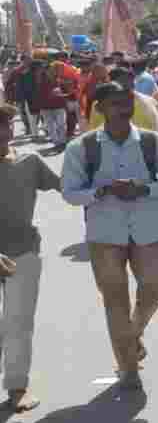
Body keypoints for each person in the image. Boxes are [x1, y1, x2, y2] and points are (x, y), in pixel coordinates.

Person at [61, 82, 158, 390]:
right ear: (100, 108)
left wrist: (144, 188)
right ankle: (129, 368)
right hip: (104, 235)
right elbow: (70, 193)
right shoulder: (82, 147)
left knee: (153, 290)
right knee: (115, 301)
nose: (123, 108)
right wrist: (102, 191)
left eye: (126, 101)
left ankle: (132, 336)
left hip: (145, 230)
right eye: (115, 103)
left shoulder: (151, 142)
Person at [0, 101, 60, 412]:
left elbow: (68, 186)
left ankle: (17, 386)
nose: (2, 131)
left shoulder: (29, 162)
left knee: (18, 322)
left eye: (6, 124)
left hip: (23, 251)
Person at [30, 61, 68, 149]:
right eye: (47, 69)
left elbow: (65, 90)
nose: (50, 71)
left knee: (61, 124)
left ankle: (62, 141)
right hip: (45, 106)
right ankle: (56, 142)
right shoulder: (39, 79)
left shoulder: (59, 78)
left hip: (59, 105)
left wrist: (63, 93)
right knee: (50, 125)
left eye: (52, 69)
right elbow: (37, 92)